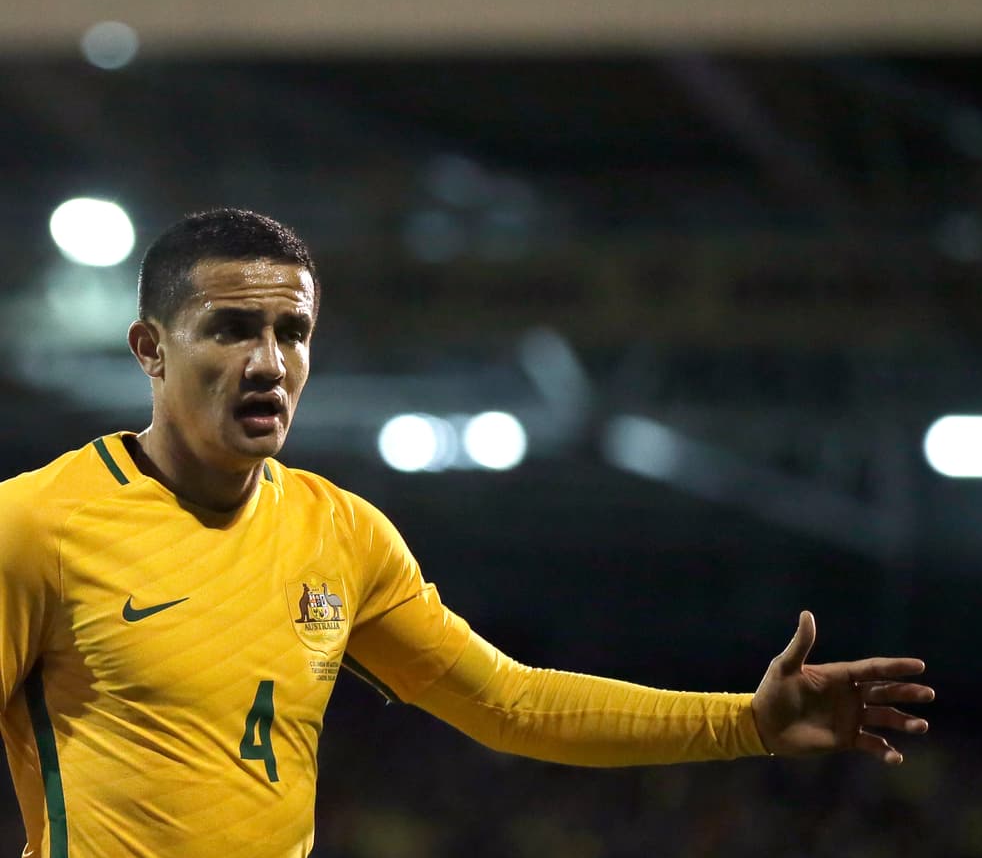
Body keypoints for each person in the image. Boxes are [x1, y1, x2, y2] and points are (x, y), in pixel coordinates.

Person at [0, 209, 934, 857]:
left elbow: (511, 704)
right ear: (150, 347)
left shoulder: (342, 534)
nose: (270, 363)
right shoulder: (38, 524)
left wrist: (747, 724)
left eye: (295, 330)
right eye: (232, 328)